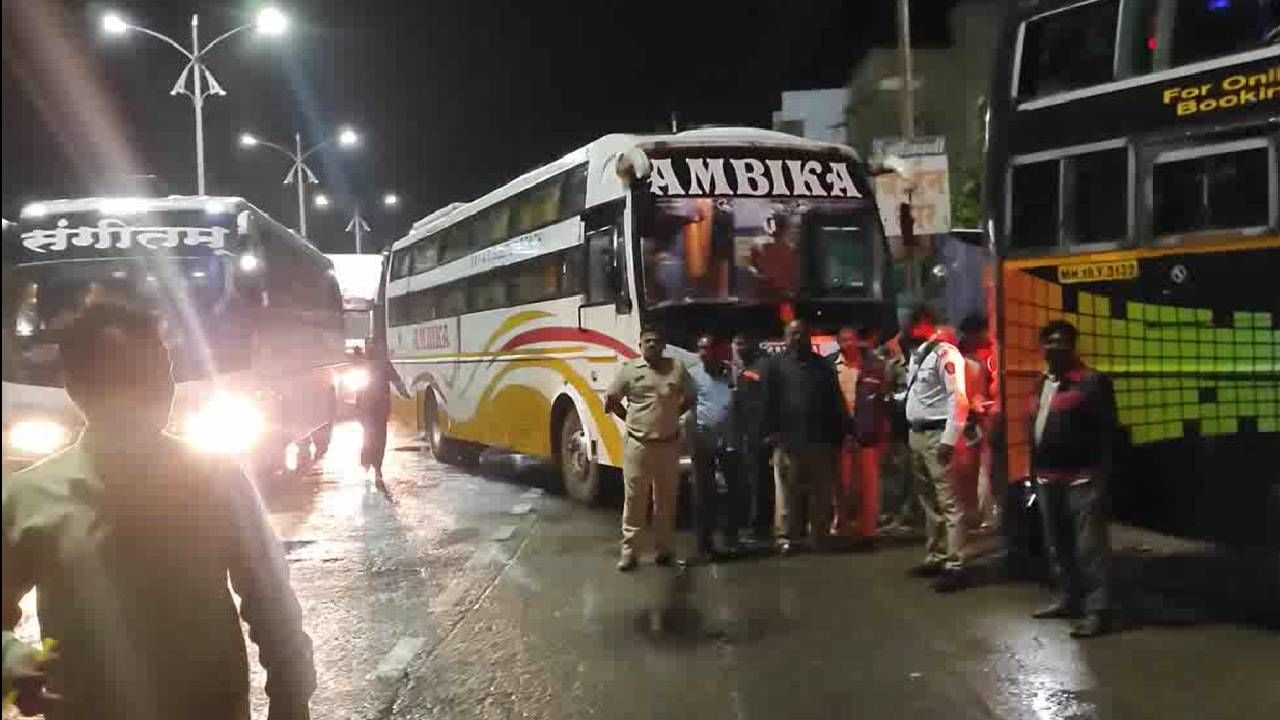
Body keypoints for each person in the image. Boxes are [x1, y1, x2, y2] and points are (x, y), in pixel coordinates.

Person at [1, 302, 314, 720]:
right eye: (128, 378)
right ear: (77, 386)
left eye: (161, 373)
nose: (157, 392)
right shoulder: (29, 498)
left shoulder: (219, 482)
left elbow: (272, 604)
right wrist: (10, 662)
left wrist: (291, 703)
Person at [1029, 320, 1119, 638]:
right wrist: (1033, 472)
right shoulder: (1042, 383)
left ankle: (1098, 611)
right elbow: (1036, 429)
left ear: (1072, 346)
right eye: (1048, 342)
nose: (1054, 347)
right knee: (1058, 545)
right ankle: (1068, 599)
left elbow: (1108, 433)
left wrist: (1103, 477)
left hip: (1083, 479)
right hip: (1047, 478)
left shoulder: (1092, 383)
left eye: (1060, 341)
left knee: (1089, 549)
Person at [605, 325, 696, 571]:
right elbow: (612, 401)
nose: (652, 345)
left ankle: (664, 550)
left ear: (664, 345)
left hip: (668, 444)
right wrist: (632, 423)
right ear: (640, 345)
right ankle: (629, 553)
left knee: (666, 501)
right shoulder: (629, 370)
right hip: (638, 445)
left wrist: (673, 414)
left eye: (657, 341)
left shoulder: (676, 368)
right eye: (647, 341)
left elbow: (691, 396)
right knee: (635, 500)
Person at [762, 319, 846, 554]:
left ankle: (818, 536)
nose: (797, 338)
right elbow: (768, 402)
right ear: (785, 338)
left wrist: (840, 435)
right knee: (787, 493)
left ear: (809, 337)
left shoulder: (823, 367)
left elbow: (835, 402)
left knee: (820, 493)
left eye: (801, 334)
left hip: (820, 440)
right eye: (792, 334)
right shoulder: (775, 366)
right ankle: (787, 537)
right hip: (787, 440)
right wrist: (770, 433)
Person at [903, 306, 972, 592]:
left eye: (909, 322)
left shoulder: (945, 353)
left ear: (923, 323)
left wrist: (949, 439)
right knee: (929, 503)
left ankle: (955, 565)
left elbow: (959, 399)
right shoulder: (919, 354)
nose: (905, 327)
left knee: (949, 503)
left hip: (936, 436)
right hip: (917, 436)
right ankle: (936, 556)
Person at [832, 325, 892, 547]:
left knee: (869, 486)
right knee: (841, 487)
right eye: (843, 340)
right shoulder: (830, 367)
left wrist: (884, 435)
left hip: (868, 435)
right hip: (839, 436)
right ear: (838, 343)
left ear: (858, 341)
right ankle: (842, 529)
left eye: (851, 339)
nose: (848, 344)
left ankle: (868, 532)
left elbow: (884, 403)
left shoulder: (875, 367)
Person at [686, 334, 739, 562]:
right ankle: (704, 546)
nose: (703, 353)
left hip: (730, 442)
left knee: (734, 492)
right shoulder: (692, 376)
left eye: (708, 348)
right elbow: (683, 406)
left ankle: (731, 540)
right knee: (703, 495)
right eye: (700, 349)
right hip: (702, 442)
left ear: (718, 351)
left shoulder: (733, 373)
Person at [730, 332, 773, 548]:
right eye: (737, 343)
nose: (739, 347)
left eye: (743, 343)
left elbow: (767, 402)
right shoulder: (740, 367)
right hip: (744, 435)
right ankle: (752, 524)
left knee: (760, 483)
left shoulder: (761, 367)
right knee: (751, 482)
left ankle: (761, 528)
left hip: (759, 435)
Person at [958, 313, 999, 531]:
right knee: (981, 469)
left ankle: (974, 513)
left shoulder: (975, 358)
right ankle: (983, 514)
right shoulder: (973, 361)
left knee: (974, 470)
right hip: (977, 420)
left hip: (974, 420)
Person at [357, 336, 410, 498]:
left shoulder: (366, 364)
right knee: (378, 437)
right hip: (378, 408)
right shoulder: (382, 363)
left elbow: (359, 389)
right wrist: (405, 394)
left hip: (370, 408)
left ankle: (368, 465)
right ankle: (374, 466)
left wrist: (356, 407)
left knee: (370, 435)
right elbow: (397, 382)